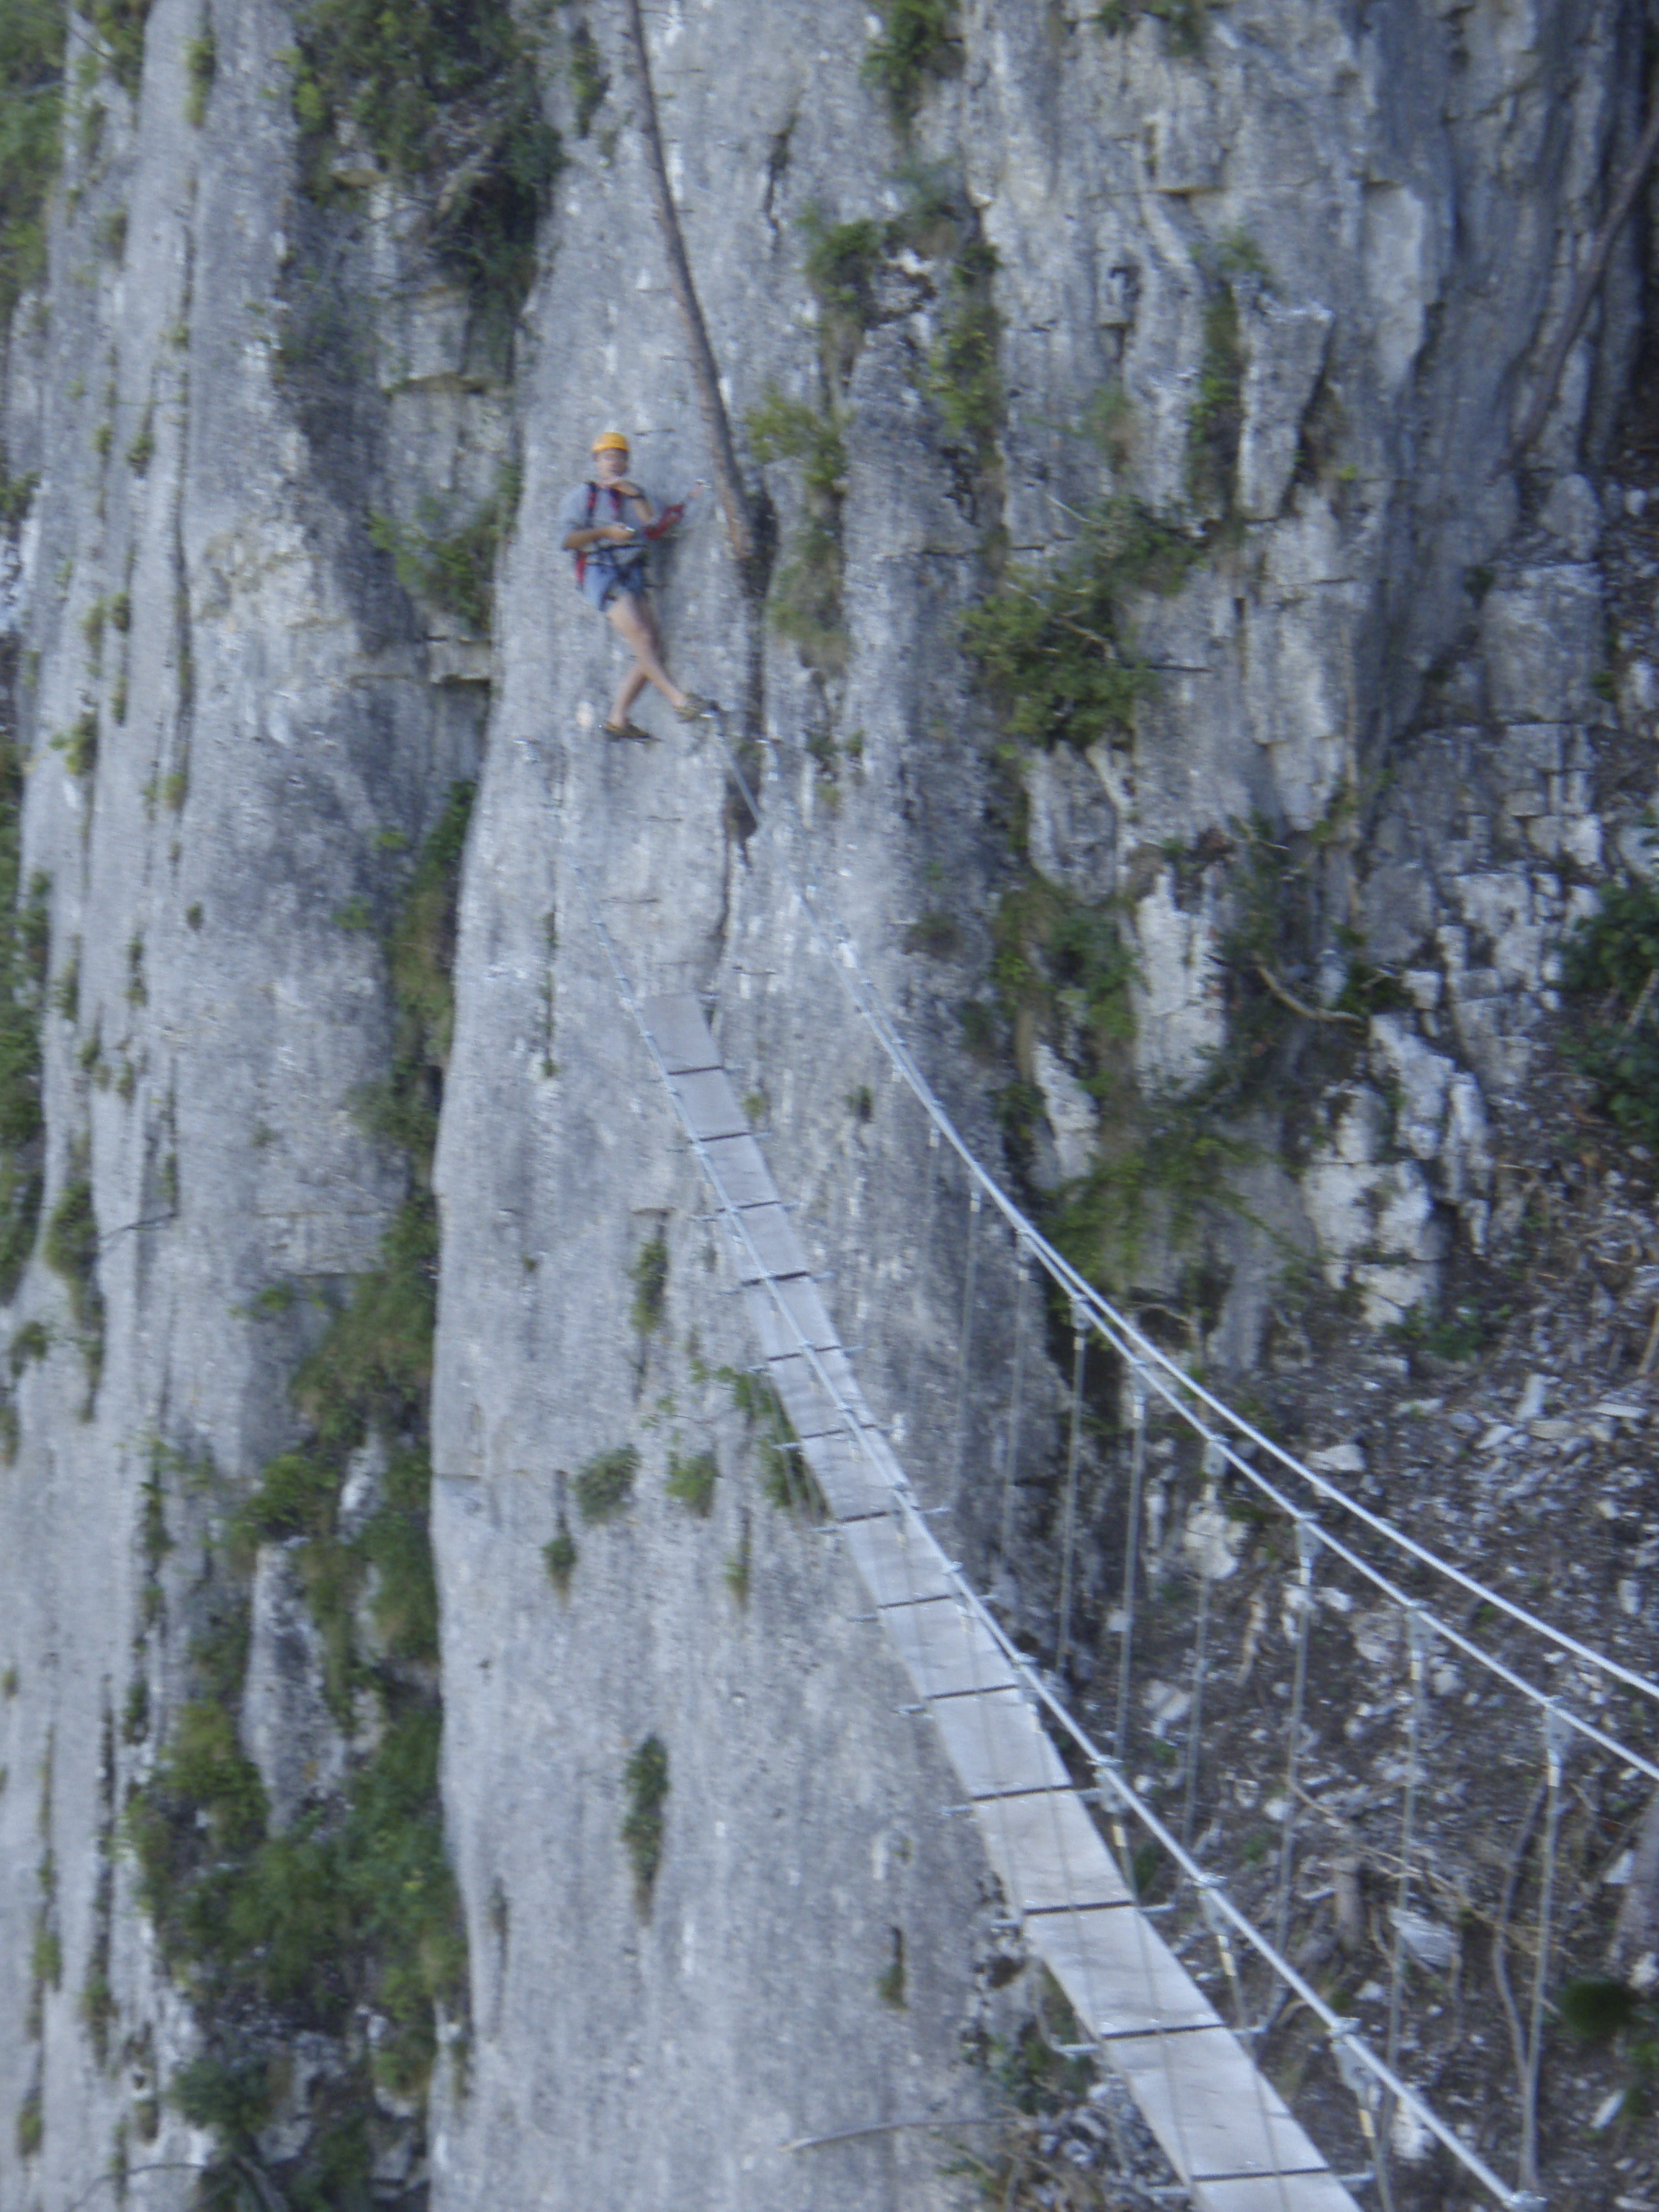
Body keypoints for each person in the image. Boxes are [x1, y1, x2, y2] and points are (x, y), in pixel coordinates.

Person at [560, 430, 709, 741]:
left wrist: (633, 494)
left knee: (650, 643)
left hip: (631, 571)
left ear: (626, 462)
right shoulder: (581, 498)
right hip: (600, 570)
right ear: (597, 462)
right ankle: (679, 701)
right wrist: (604, 532)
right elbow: (567, 539)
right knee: (641, 635)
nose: (612, 463)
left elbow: (652, 526)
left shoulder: (638, 494)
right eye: (606, 457)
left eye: (618, 457)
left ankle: (618, 718)